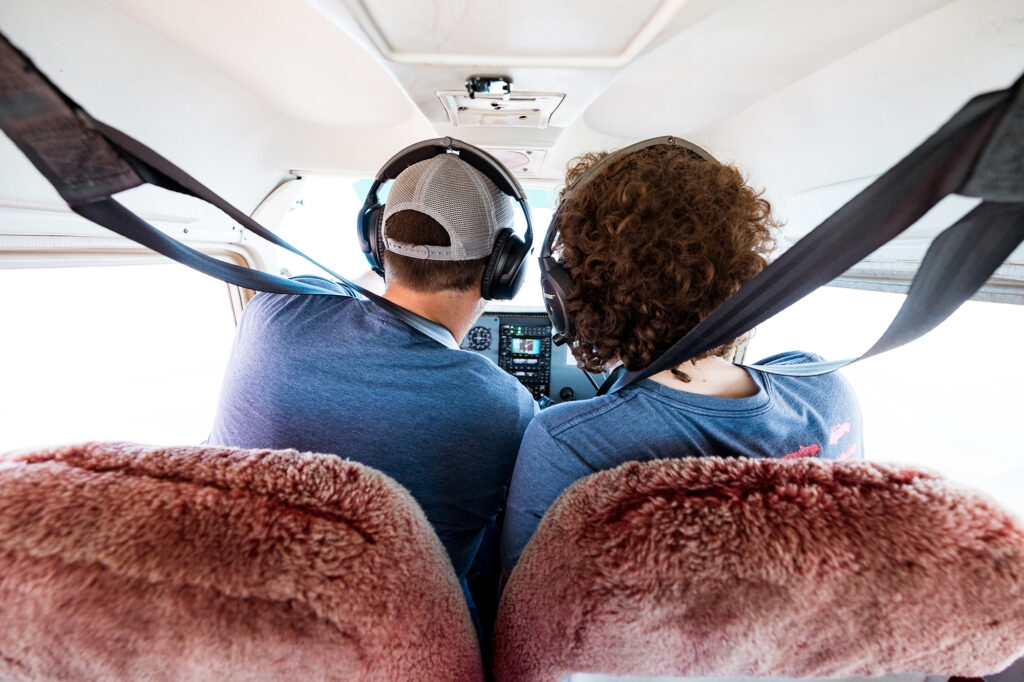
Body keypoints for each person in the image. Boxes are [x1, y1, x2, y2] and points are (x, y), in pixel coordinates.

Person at [500, 139, 863, 574]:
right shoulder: (824, 385)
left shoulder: (567, 445)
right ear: (742, 274)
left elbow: (522, 610)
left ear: (569, 294)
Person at [207, 152, 536, 605]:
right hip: (393, 638)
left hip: (235, 599)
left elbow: (343, 290)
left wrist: (387, 268)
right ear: (504, 272)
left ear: (374, 243)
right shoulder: (504, 406)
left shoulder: (271, 312)